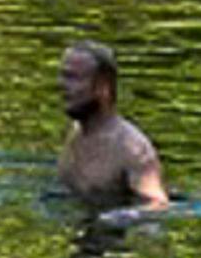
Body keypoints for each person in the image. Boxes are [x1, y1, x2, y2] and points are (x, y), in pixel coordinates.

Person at [55, 39, 169, 219]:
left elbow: (158, 205)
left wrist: (116, 218)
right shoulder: (76, 132)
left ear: (104, 87)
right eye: (63, 76)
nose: (62, 85)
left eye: (73, 78)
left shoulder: (132, 149)